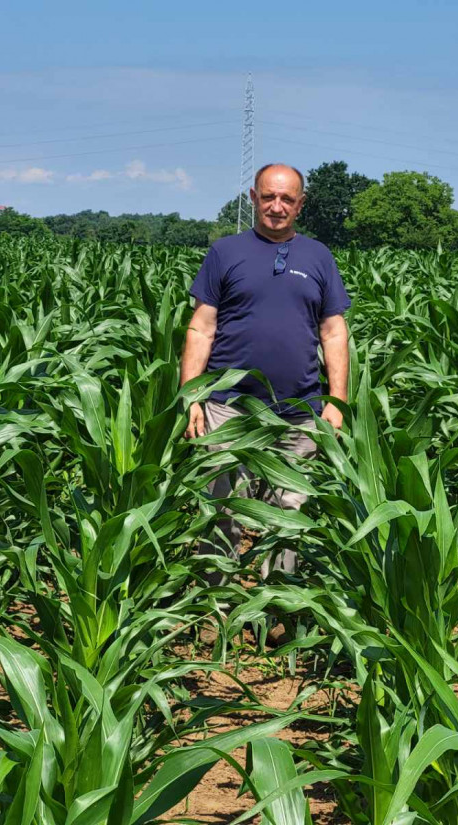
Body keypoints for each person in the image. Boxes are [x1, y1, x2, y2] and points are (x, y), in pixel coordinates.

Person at [180, 163, 350, 580]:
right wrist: (192, 398)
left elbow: (333, 333)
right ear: (254, 198)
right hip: (227, 407)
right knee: (222, 504)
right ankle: (215, 599)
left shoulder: (318, 256)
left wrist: (338, 402)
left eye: (287, 199)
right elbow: (201, 328)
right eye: (268, 197)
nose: (277, 206)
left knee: (289, 511)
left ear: (301, 204)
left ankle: (277, 603)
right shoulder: (226, 252)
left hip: (298, 409)